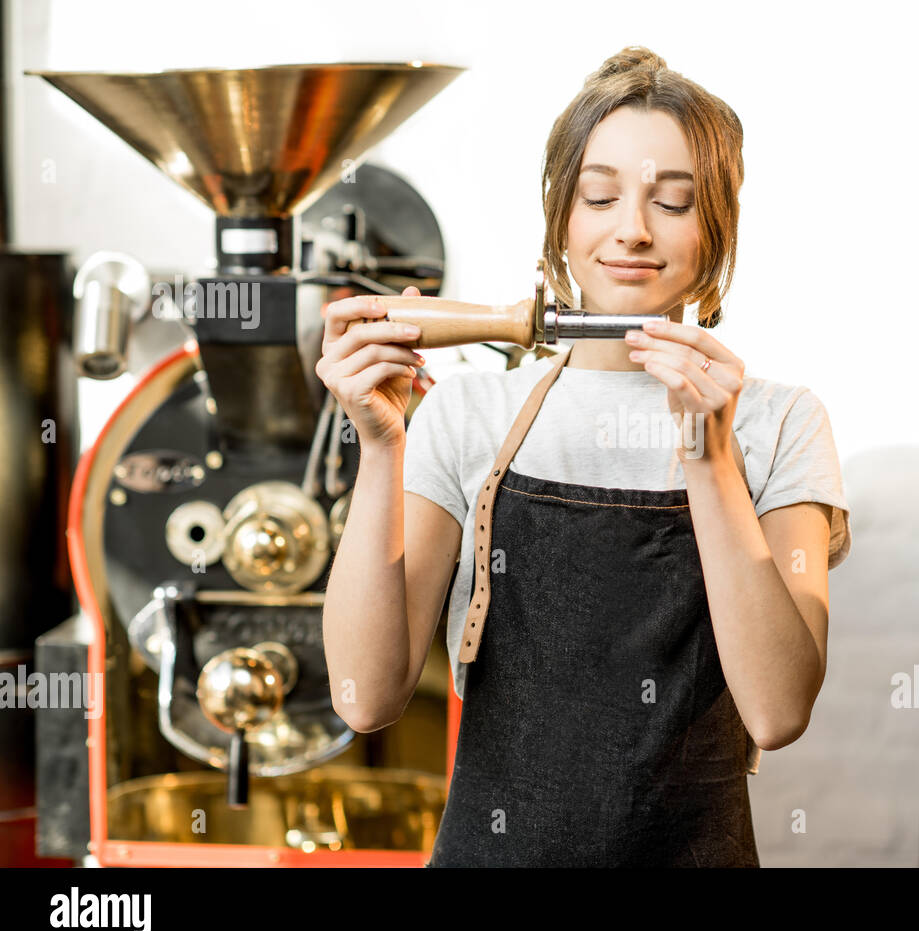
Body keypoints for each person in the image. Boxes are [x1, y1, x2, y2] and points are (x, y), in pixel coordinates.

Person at [315, 46, 850, 867]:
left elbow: (778, 710)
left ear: (718, 231)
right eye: (599, 196)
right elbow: (365, 696)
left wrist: (710, 460)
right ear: (562, 216)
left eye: (674, 201)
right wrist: (382, 449)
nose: (631, 229)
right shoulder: (468, 414)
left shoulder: (779, 423)